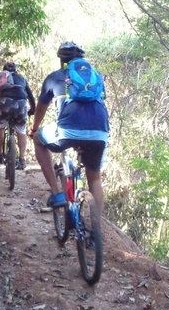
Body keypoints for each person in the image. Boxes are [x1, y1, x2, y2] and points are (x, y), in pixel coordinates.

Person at [29, 42, 109, 212]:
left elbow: (41, 107)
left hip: (67, 131)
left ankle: (57, 194)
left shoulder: (54, 77)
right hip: (99, 132)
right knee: (95, 179)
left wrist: (34, 128)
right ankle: (97, 231)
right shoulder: (97, 77)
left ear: (61, 59)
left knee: (38, 140)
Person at [0, 61, 35, 170]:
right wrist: (32, 109)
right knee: (21, 131)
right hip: (21, 105)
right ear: (16, 70)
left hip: (4, 104)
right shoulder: (22, 79)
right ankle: (21, 159)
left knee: (0, 128)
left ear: (4, 70)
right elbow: (30, 96)